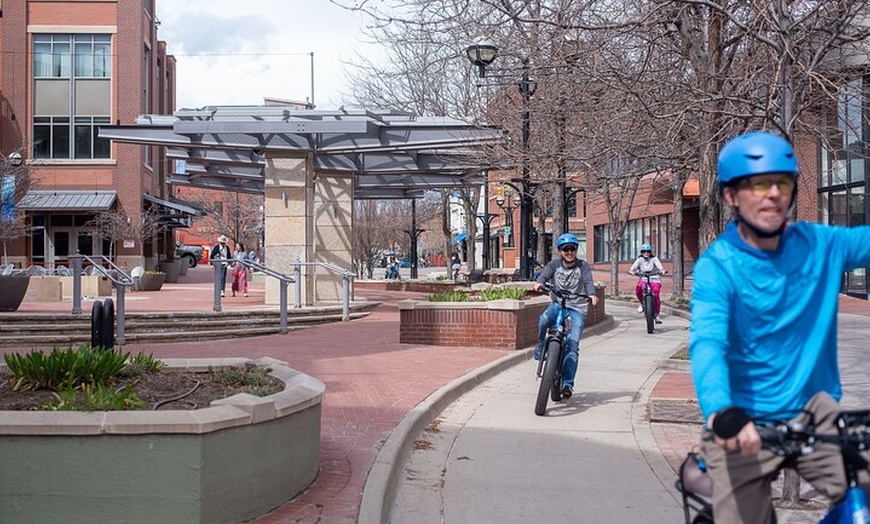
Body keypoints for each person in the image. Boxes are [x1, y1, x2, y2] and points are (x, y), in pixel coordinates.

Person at [689, 130, 870, 524]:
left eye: (782, 182)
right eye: (758, 184)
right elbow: (707, 344)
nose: (773, 193)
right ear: (731, 196)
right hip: (742, 421)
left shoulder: (820, 245)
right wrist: (722, 412)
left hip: (812, 410)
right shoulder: (718, 268)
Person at [532, 233, 599, 400]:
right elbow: (545, 274)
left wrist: (591, 294)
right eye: (565, 249)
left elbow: (588, 281)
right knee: (544, 320)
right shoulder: (554, 264)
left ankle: (567, 383)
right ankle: (541, 347)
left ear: (576, 249)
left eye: (572, 248)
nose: (569, 252)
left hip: (577, 308)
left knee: (572, 343)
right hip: (558, 305)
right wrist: (539, 282)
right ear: (560, 251)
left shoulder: (582, 266)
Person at [628, 243, 666, 323]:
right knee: (638, 288)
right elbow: (632, 268)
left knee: (656, 294)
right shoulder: (639, 260)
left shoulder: (654, 259)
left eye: (648, 251)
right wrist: (632, 271)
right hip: (644, 278)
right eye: (644, 251)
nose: (646, 253)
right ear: (642, 252)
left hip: (655, 279)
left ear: (650, 252)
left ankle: (657, 315)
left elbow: (660, 267)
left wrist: (662, 271)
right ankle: (642, 303)